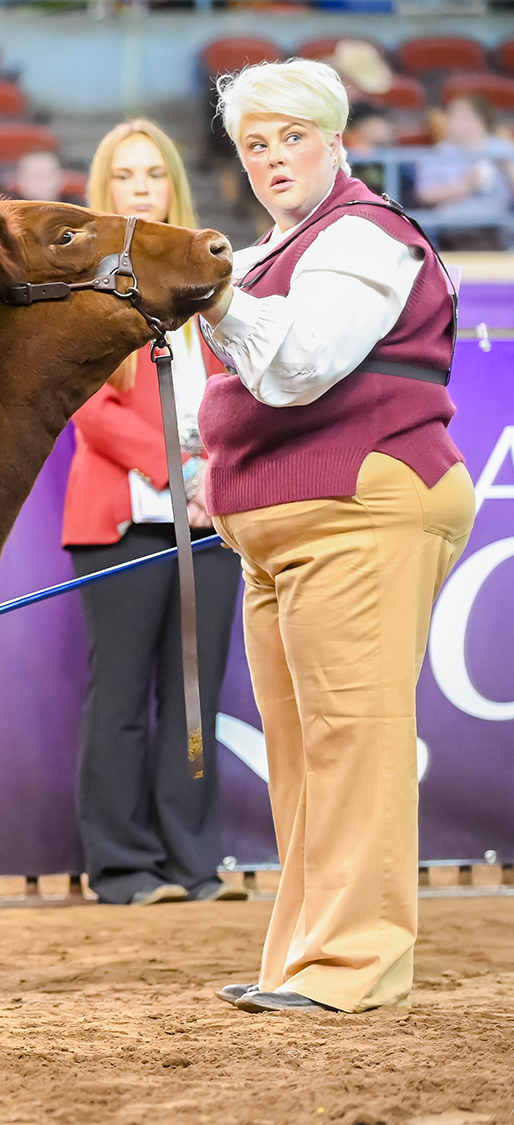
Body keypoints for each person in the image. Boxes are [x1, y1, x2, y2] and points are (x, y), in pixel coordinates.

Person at [200, 59, 474, 1014]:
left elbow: (307, 364)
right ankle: (304, 959)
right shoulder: (265, 254)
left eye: (291, 139)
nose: (272, 159)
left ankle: (353, 964)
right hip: (282, 530)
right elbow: (230, 401)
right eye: (254, 145)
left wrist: (214, 300)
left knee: (350, 742)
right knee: (305, 754)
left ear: (336, 140)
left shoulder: (362, 234)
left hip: (361, 506)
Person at [61, 119, 244, 909]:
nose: (141, 187)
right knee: (123, 696)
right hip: (122, 524)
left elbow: (246, 384)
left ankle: (192, 866)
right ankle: (123, 868)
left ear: (175, 183)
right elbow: (86, 406)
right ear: (106, 190)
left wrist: (217, 473)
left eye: (153, 173)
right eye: (126, 175)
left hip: (215, 523)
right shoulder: (78, 288)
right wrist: (178, 469)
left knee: (196, 698)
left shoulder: (214, 279)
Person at [413, 94, 514, 250]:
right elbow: (425, 195)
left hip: (493, 228)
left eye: (465, 116)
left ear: (481, 119)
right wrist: (465, 186)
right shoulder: (438, 154)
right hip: (450, 228)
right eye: (454, 116)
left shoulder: (503, 150)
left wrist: (507, 168)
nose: (457, 122)